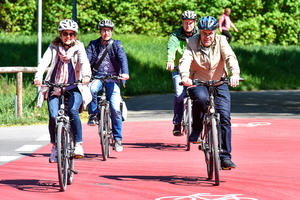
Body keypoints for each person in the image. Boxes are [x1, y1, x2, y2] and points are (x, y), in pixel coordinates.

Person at [179, 16, 241, 169]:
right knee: (201, 98)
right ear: (199, 32)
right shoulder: (192, 42)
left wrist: (235, 74)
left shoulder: (221, 41)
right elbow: (185, 60)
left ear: (215, 32)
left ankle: (225, 157)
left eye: (210, 33)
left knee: (225, 117)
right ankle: (198, 127)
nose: (207, 36)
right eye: (204, 33)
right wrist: (185, 76)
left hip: (219, 81)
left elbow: (230, 58)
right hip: (198, 81)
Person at [34, 19, 92, 162]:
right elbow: (43, 62)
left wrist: (86, 76)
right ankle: (54, 146)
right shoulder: (54, 47)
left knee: (72, 110)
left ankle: (78, 144)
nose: (68, 37)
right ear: (60, 34)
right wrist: (38, 77)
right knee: (53, 116)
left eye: (71, 34)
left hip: (74, 86)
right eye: (65, 34)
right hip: (55, 87)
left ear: (75, 35)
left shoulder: (79, 47)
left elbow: (84, 63)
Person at [86, 19, 129, 152]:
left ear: (112, 31)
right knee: (91, 89)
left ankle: (117, 139)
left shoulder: (116, 44)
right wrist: (85, 75)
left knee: (115, 108)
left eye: (109, 30)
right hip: (98, 76)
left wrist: (125, 73)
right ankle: (93, 115)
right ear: (100, 31)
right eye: (104, 30)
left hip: (113, 78)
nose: (106, 33)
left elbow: (123, 58)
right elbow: (87, 60)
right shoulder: (93, 45)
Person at [166, 10, 198, 136]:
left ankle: (199, 124)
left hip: (195, 71)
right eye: (185, 22)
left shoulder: (199, 35)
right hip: (178, 70)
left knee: (200, 97)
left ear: (195, 23)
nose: (188, 25)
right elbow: (171, 47)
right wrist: (170, 60)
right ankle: (177, 123)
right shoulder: (176, 34)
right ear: (182, 23)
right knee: (179, 95)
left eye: (190, 23)